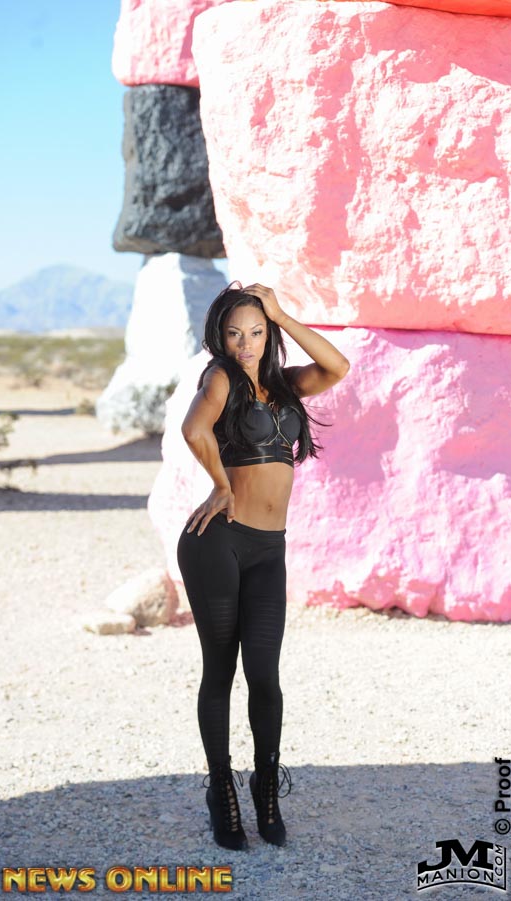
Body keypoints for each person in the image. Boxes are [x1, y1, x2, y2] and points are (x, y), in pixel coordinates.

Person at [176, 281, 350, 851]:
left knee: (265, 677)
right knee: (220, 671)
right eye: (235, 333)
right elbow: (194, 429)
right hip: (218, 543)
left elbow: (338, 366)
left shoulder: (287, 385)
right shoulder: (220, 378)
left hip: (269, 550)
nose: (246, 343)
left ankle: (266, 788)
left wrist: (282, 315)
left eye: (256, 332)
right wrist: (220, 484)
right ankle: (221, 791)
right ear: (220, 337)